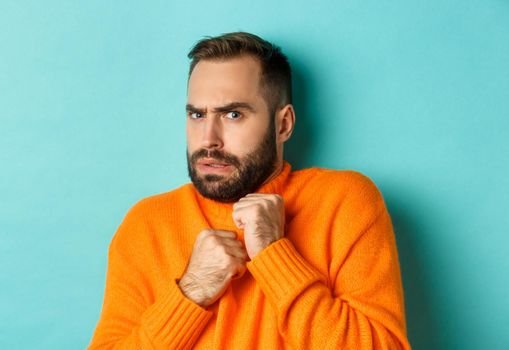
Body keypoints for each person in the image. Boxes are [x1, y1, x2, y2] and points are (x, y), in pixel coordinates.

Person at [88, 32, 411, 349]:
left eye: (233, 114)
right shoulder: (147, 223)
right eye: (197, 115)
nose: (208, 139)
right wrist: (192, 291)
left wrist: (275, 256)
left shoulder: (344, 200)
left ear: (283, 125)